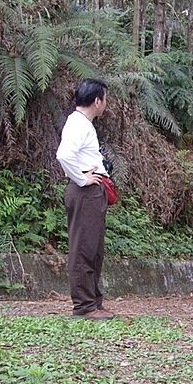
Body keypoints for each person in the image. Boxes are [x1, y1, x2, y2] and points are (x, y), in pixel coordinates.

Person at [56, 78, 116, 320]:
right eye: (105, 99)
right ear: (97, 100)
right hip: (85, 192)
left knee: (94, 248)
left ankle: (93, 302)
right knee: (84, 248)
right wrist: (82, 180)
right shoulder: (78, 124)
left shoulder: (83, 124)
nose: (106, 104)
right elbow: (63, 155)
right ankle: (84, 306)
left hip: (92, 192)